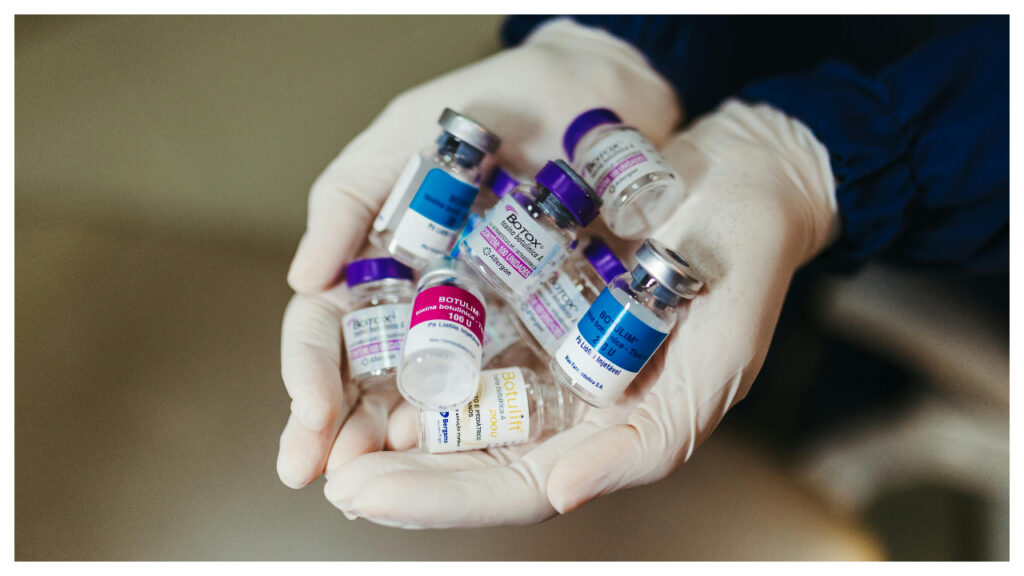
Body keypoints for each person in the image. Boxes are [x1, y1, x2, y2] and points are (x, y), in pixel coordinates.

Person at [276, 15, 1008, 528]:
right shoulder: (520, 239)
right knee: (778, 347)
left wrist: (813, 162)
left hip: (972, 176)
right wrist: (610, 37)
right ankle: (872, 409)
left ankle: (924, 409)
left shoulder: (584, 262)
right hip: (760, 73)